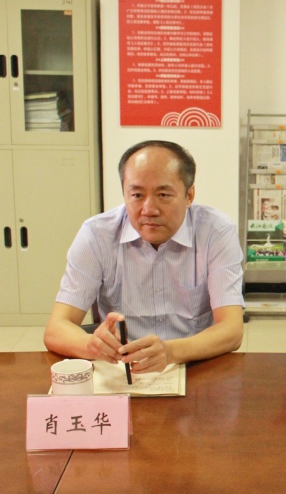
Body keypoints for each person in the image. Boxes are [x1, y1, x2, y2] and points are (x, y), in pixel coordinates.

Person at [43, 140, 245, 374]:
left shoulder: (216, 233)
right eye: (137, 195)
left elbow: (232, 330)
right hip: (122, 369)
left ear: (189, 195)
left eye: (163, 194)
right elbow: (56, 329)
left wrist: (170, 352)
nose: (149, 209)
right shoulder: (97, 235)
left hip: (194, 365)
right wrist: (91, 345)